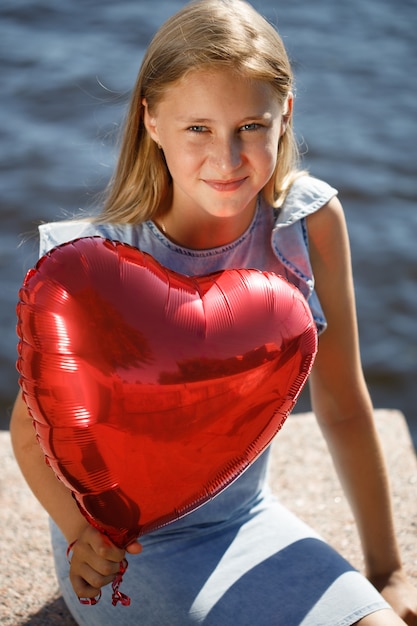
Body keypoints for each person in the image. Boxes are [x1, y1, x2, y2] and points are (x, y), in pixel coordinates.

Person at [10, 1, 417, 624]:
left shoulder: (306, 226)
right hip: (124, 543)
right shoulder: (96, 265)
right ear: (151, 121)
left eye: (250, 126)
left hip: (247, 520)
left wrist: (387, 571)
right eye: (197, 128)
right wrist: (78, 533)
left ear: (286, 116)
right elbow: (33, 434)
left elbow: (342, 401)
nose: (227, 159)